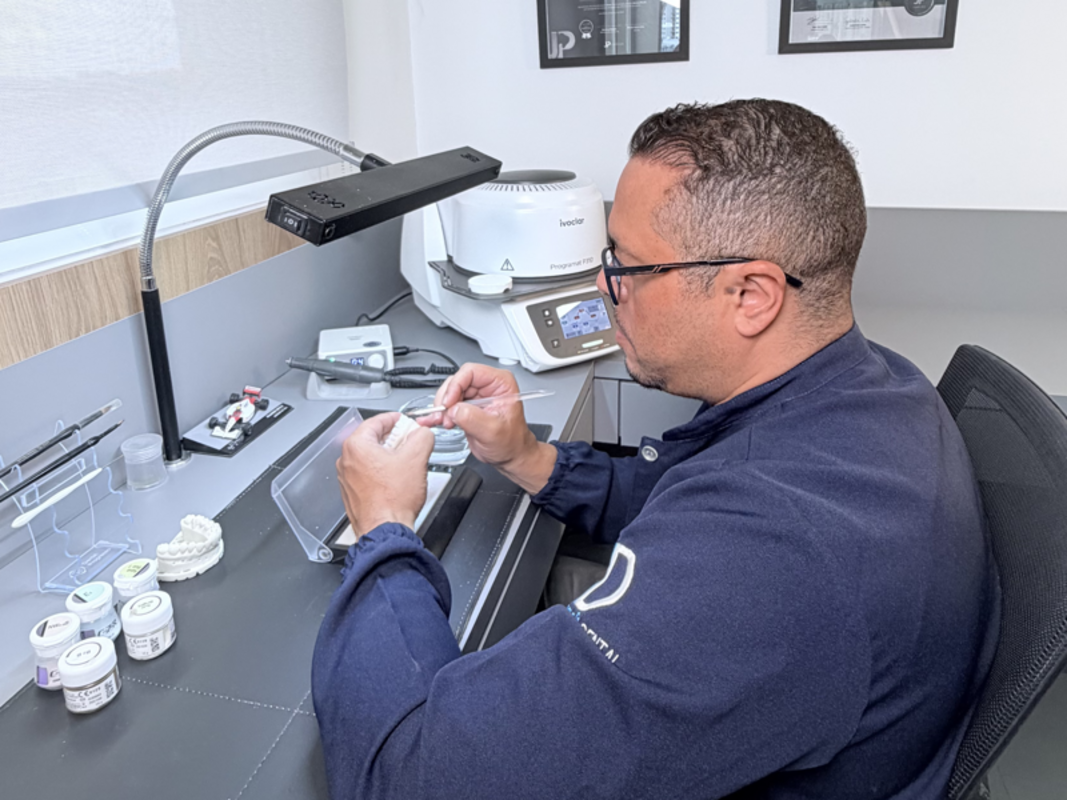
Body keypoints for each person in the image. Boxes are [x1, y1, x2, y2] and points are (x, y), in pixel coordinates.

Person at [312, 99, 1000, 800]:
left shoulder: (768, 563)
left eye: (628, 267)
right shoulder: (865, 388)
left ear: (750, 294)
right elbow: (685, 489)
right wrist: (528, 457)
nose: (603, 288)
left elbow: (407, 776)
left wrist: (382, 528)